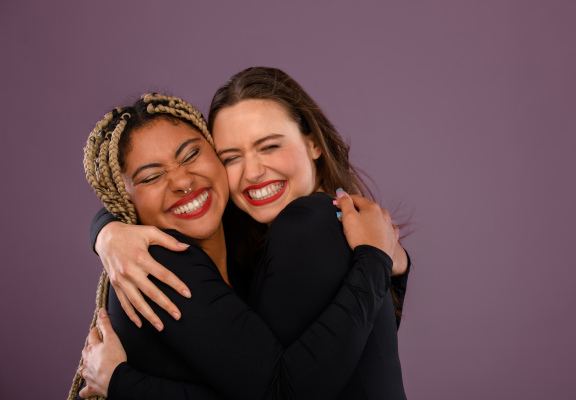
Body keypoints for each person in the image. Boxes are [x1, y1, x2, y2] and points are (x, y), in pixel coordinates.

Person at [75, 68, 409, 399]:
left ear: (312, 141)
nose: (252, 172)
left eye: (269, 146)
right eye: (232, 156)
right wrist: (106, 230)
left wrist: (123, 383)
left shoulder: (296, 229)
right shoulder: (158, 262)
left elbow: (343, 359)